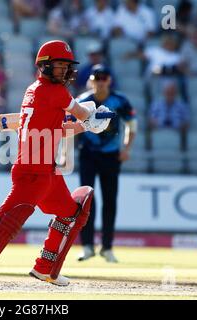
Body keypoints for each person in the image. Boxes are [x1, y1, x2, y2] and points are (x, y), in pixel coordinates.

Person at [0, 40, 112, 292]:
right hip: (32, 172)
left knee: (73, 211)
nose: (65, 71)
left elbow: (57, 128)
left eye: (67, 66)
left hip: (45, 169)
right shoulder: (56, 93)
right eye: (60, 66)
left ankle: (46, 267)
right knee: (6, 222)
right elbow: (81, 112)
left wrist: (86, 124)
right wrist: (92, 119)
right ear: (45, 66)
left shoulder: (35, 90)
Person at [76, 65, 137, 263]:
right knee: (86, 202)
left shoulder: (120, 101)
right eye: (97, 77)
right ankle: (87, 246)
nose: (101, 81)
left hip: (111, 155)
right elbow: (69, 125)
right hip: (88, 154)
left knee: (110, 201)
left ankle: (107, 247)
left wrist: (126, 148)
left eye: (104, 78)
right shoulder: (82, 101)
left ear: (109, 80)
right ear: (92, 80)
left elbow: (131, 124)